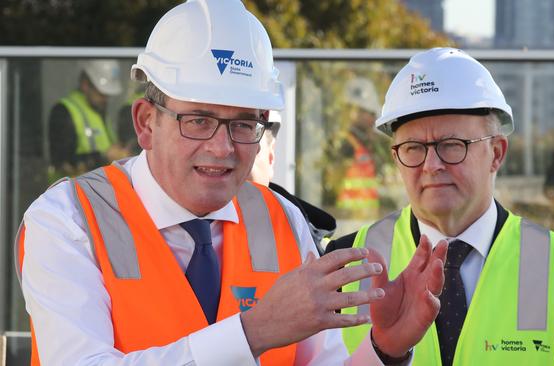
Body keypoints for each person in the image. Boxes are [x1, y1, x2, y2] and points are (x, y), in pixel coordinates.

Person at [15, 1, 448, 365]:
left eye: (244, 123)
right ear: (146, 123)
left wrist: (384, 349)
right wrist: (254, 331)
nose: (222, 148)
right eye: (199, 120)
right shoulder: (68, 220)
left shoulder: (282, 221)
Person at [327, 48, 554, 365]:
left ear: (496, 153)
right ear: (396, 157)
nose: (431, 165)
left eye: (452, 145)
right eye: (413, 148)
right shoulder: (342, 266)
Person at [249, 110, 337, 252]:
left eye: (244, 129)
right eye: (201, 122)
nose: (223, 150)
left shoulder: (299, 233)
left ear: (271, 157)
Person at [48, 59, 125, 181]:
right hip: (70, 193)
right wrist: (104, 157)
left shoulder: (98, 110)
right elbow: (62, 161)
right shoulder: (64, 111)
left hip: (96, 190)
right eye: (102, 93)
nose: (105, 99)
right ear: (85, 84)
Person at [335, 78, 384, 219]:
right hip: (346, 219)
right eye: (352, 109)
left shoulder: (377, 144)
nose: (354, 115)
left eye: (362, 111)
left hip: (372, 218)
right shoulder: (342, 144)